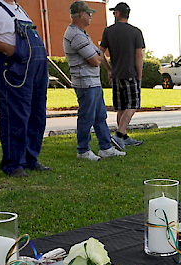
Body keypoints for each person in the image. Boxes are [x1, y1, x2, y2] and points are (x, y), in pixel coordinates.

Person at [0, 0, 50, 177]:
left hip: (34, 69)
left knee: (37, 114)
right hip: (11, 66)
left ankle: (30, 159)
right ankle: (13, 164)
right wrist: (8, 49)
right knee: (15, 116)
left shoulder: (18, 8)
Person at [64, 1, 125, 161]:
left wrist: (97, 56)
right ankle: (83, 150)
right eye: (89, 13)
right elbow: (96, 60)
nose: (91, 16)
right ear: (81, 15)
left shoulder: (82, 33)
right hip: (85, 83)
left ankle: (105, 148)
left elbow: (98, 54)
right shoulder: (75, 35)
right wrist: (95, 56)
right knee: (87, 116)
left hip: (93, 82)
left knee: (100, 116)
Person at [100, 2, 145, 149]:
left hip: (117, 75)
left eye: (114, 12)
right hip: (130, 74)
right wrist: (139, 74)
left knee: (121, 107)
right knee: (133, 105)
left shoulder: (108, 31)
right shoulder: (135, 32)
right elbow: (139, 55)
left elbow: (100, 53)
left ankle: (123, 137)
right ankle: (119, 135)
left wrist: (109, 69)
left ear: (117, 14)